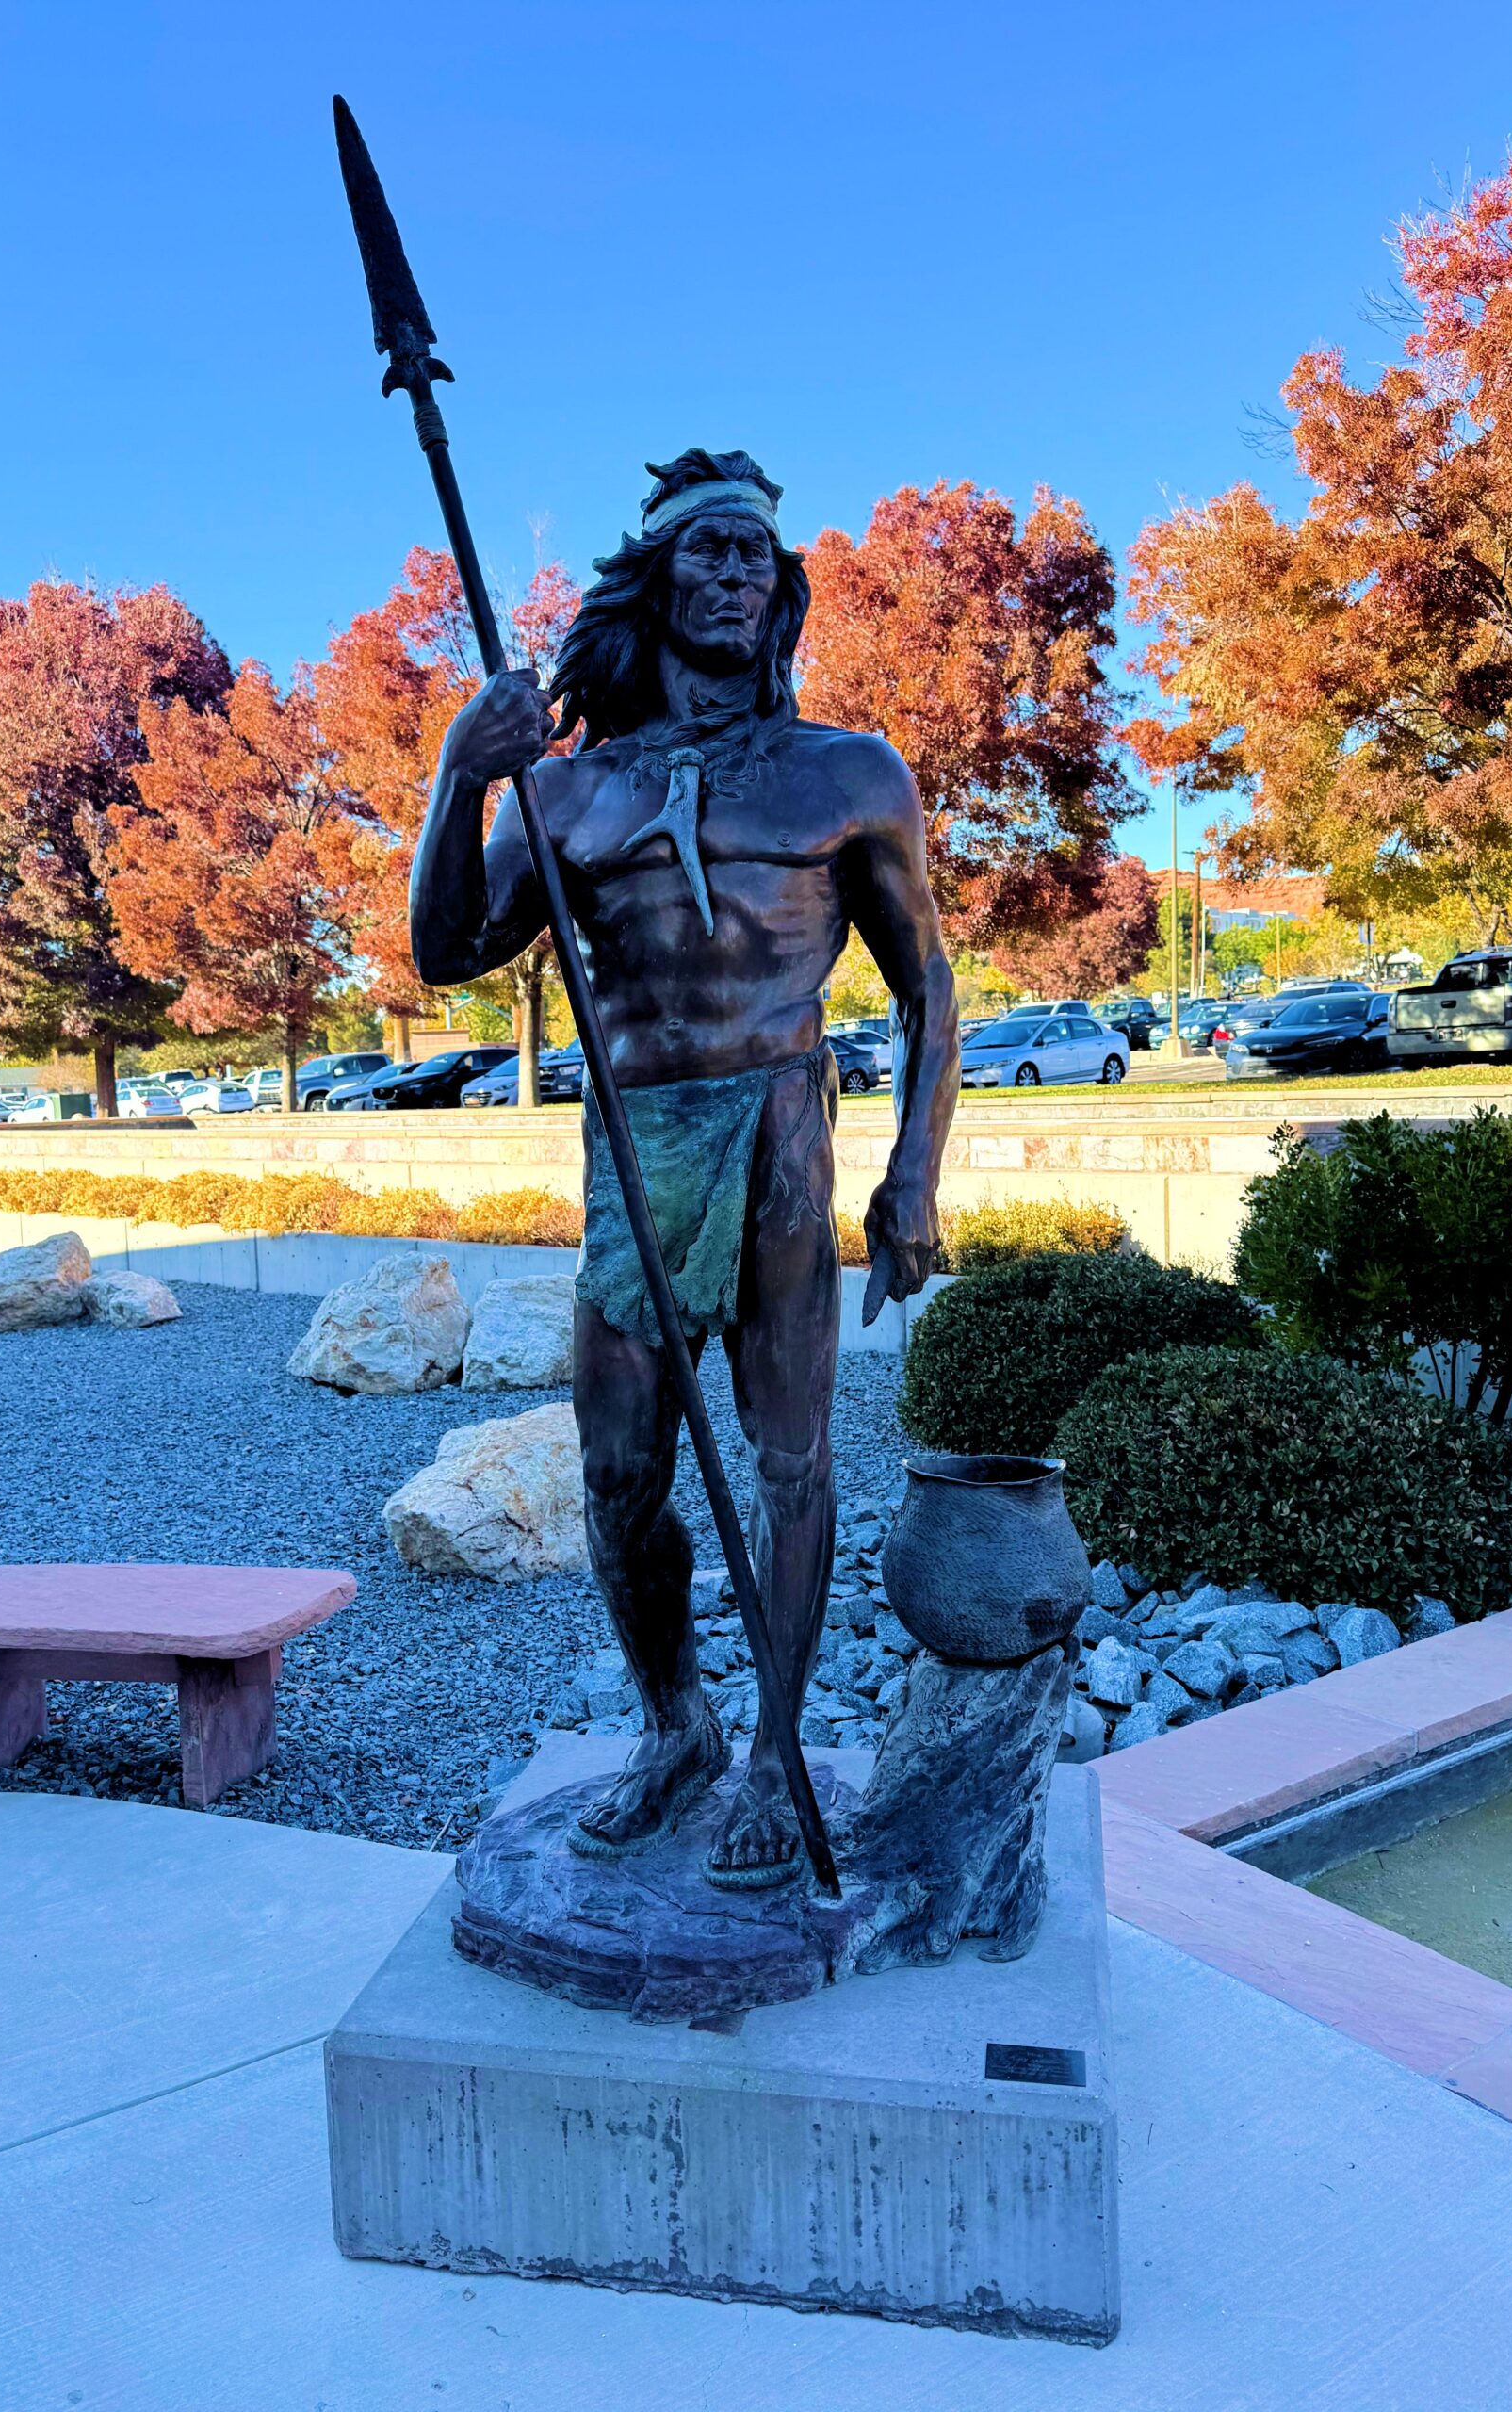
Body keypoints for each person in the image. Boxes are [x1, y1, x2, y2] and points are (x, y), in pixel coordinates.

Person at [411, 448, 958, 1886]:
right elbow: (447, 949)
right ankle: (678, 1726)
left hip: (779, 1129)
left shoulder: (848, 773)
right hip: (635, 1142)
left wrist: (915, 1176)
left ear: (780, 589)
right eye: (705, 551)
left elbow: (928, 989)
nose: (731, 574)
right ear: (656, 581)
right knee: (617, 1474)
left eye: (752, 555)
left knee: (789, 1462)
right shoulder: (567, 792)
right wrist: (460, 778)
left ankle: (776, 1753)